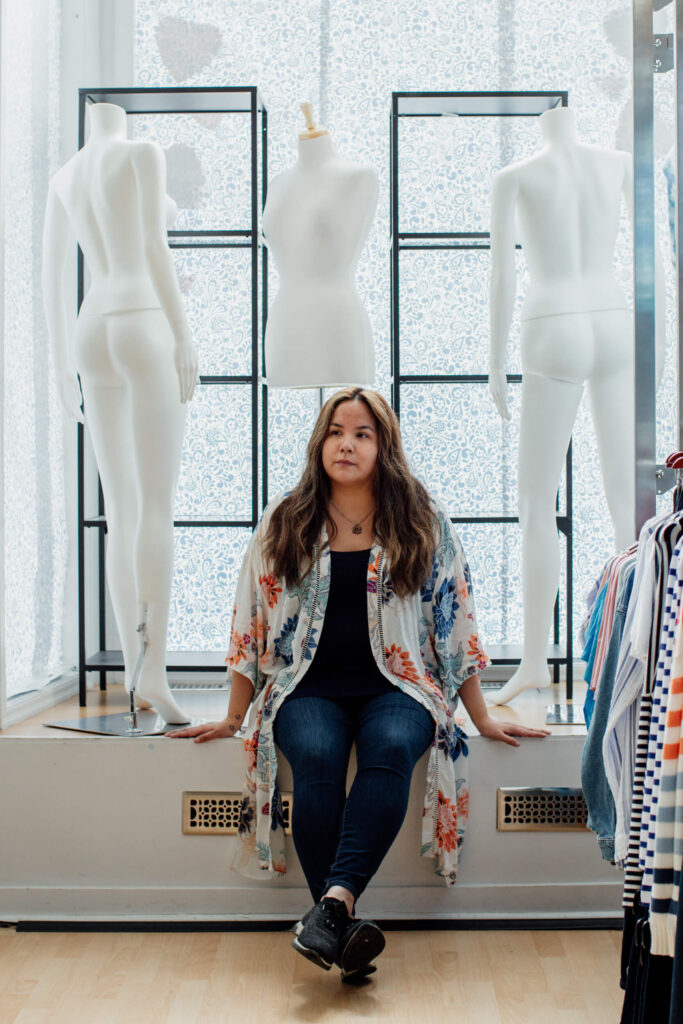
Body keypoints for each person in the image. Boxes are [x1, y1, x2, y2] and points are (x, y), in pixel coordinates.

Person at [168, 386, 549, 980]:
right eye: (335, 432)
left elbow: (457, 622)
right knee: (316, 755)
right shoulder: (285, 519)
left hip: (397, 687)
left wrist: (481, 715)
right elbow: (251, 619)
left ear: (384, 446)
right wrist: (236, 713)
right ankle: (341, 927)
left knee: (393, 747)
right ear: (320, 442)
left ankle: (328, 914)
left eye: (362, 434)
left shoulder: (422, 519)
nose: (346, 444)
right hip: (305, 687)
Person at [42, 101, 198, 723]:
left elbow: (53, 279)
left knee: (118, 510)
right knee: (156, 506)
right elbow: (156, 250)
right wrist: (184, 334)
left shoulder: (66, 175)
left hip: (91, 331)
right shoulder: (141, 153)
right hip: (142, 322)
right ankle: (153, 674)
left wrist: (62, 368)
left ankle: (137, 674)